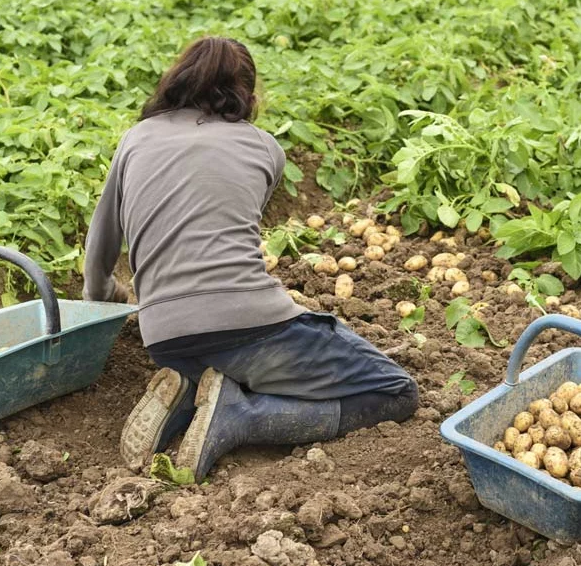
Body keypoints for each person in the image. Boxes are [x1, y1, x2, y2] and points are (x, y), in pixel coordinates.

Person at [81, 36, 419, 483]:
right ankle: (244, 417)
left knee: (217, 357)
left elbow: (99, 251)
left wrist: (111, 297)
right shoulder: (264, 148)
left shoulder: (135, 139)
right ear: (247, 94)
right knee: (396, 392)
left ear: (176, 81)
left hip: (162, 336)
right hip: (252, 328)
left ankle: (187, 396)